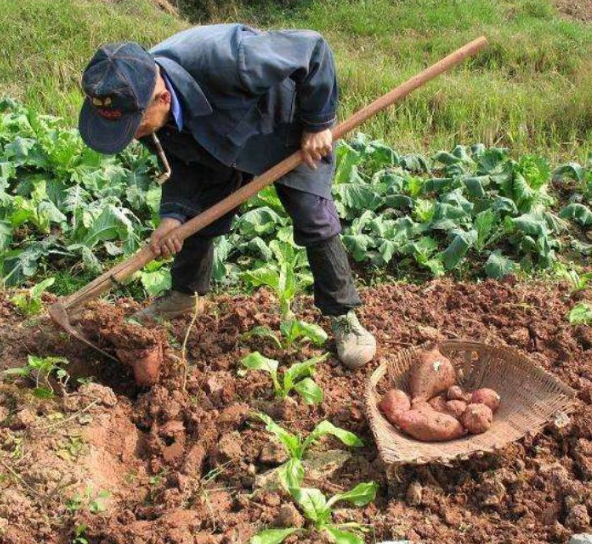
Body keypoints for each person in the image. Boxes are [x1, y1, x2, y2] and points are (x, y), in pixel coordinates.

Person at [78, 24, 376, 369]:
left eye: (136, 128)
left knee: (313, 216)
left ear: (162, 98)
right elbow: (180, 161)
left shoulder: (232, 58)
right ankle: (185, 295)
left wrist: (318, 122)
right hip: (215, 137)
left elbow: (314, 48)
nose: (133, 137)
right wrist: (172, 216)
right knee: (195, 214)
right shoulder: (137, 98)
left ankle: (343, 317)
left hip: (285, 125)